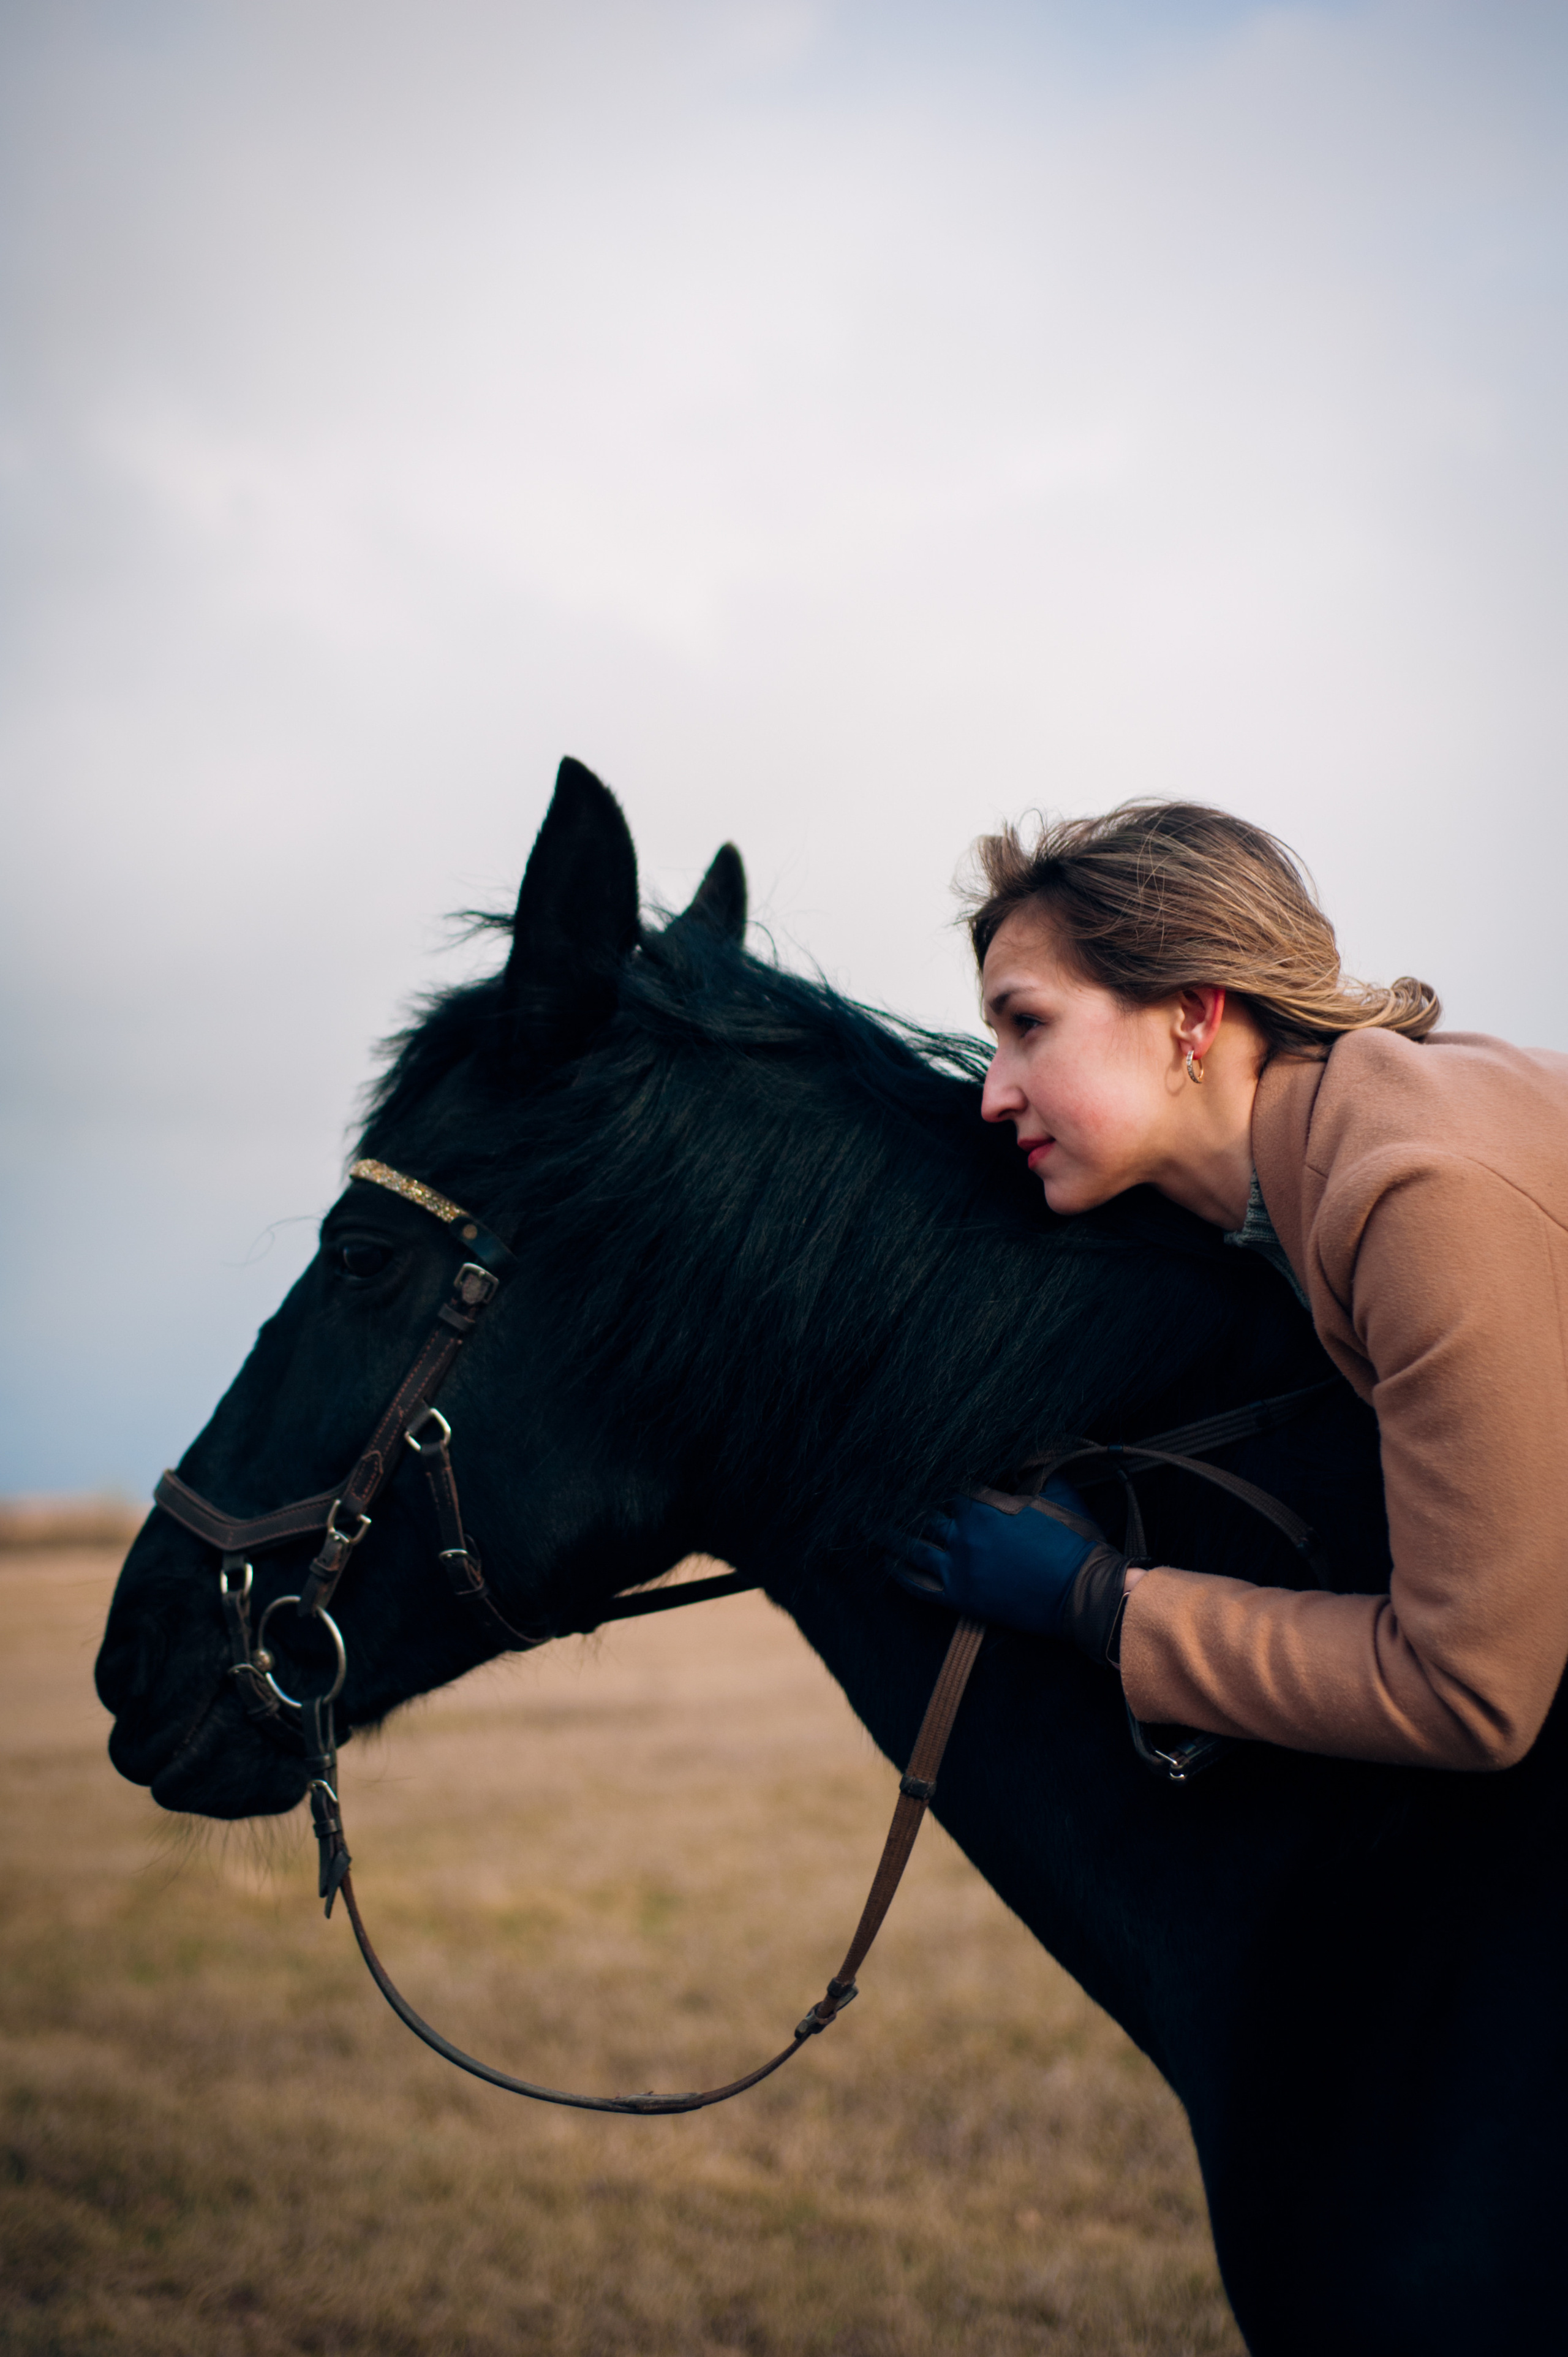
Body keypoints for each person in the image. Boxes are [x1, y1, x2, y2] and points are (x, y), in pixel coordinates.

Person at [886, 802, 1568, 1771]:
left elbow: (1471, 1693)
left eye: (1028, 1024)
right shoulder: (1323, 1159)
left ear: (1191, 1018)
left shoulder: (1417, 1196)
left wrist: (1094, 1600)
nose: (994, 1092)